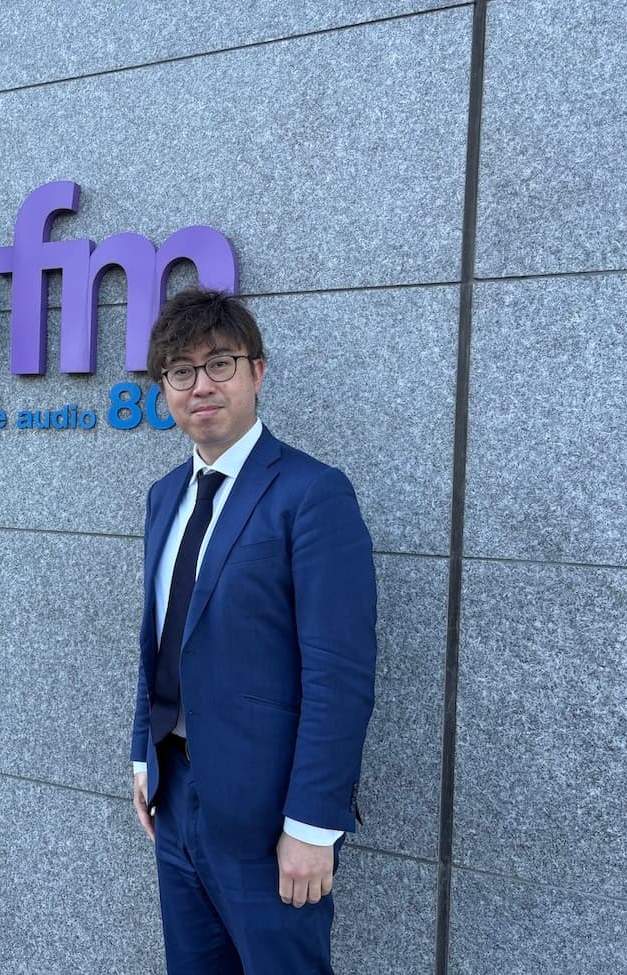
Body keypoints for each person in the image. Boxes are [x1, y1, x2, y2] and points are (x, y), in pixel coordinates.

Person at [130, 287, 377, 974]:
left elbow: (340, 673)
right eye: (181, 370)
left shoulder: (312, 494)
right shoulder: (164, 497)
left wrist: (313, 823)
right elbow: (161, 638)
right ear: (164, 389)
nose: (201, 385)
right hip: (175, 796)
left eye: (220, 364)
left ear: (257, 372)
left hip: (269, 816)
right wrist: (142, 755)